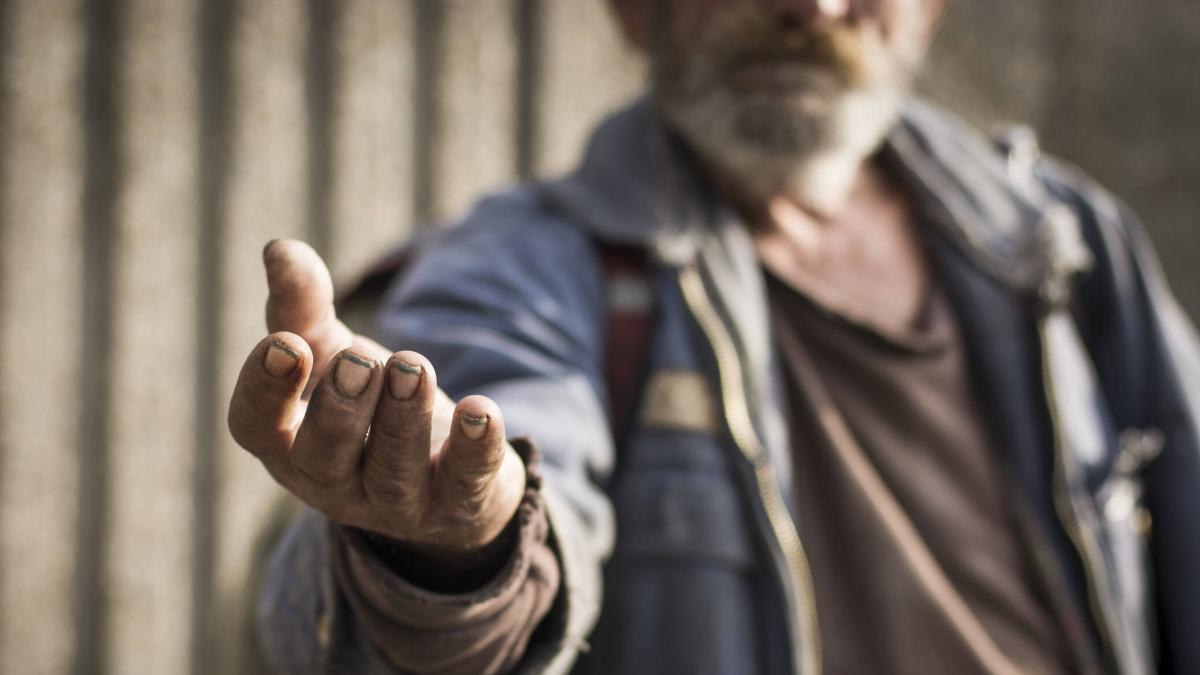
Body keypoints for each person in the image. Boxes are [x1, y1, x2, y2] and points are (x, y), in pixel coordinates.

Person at [228, 0, 1200, 673]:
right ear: (633, 8)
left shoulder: (1064, 245)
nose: (811, 9)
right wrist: (450, 548)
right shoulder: (526, 269)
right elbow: (499, 463)